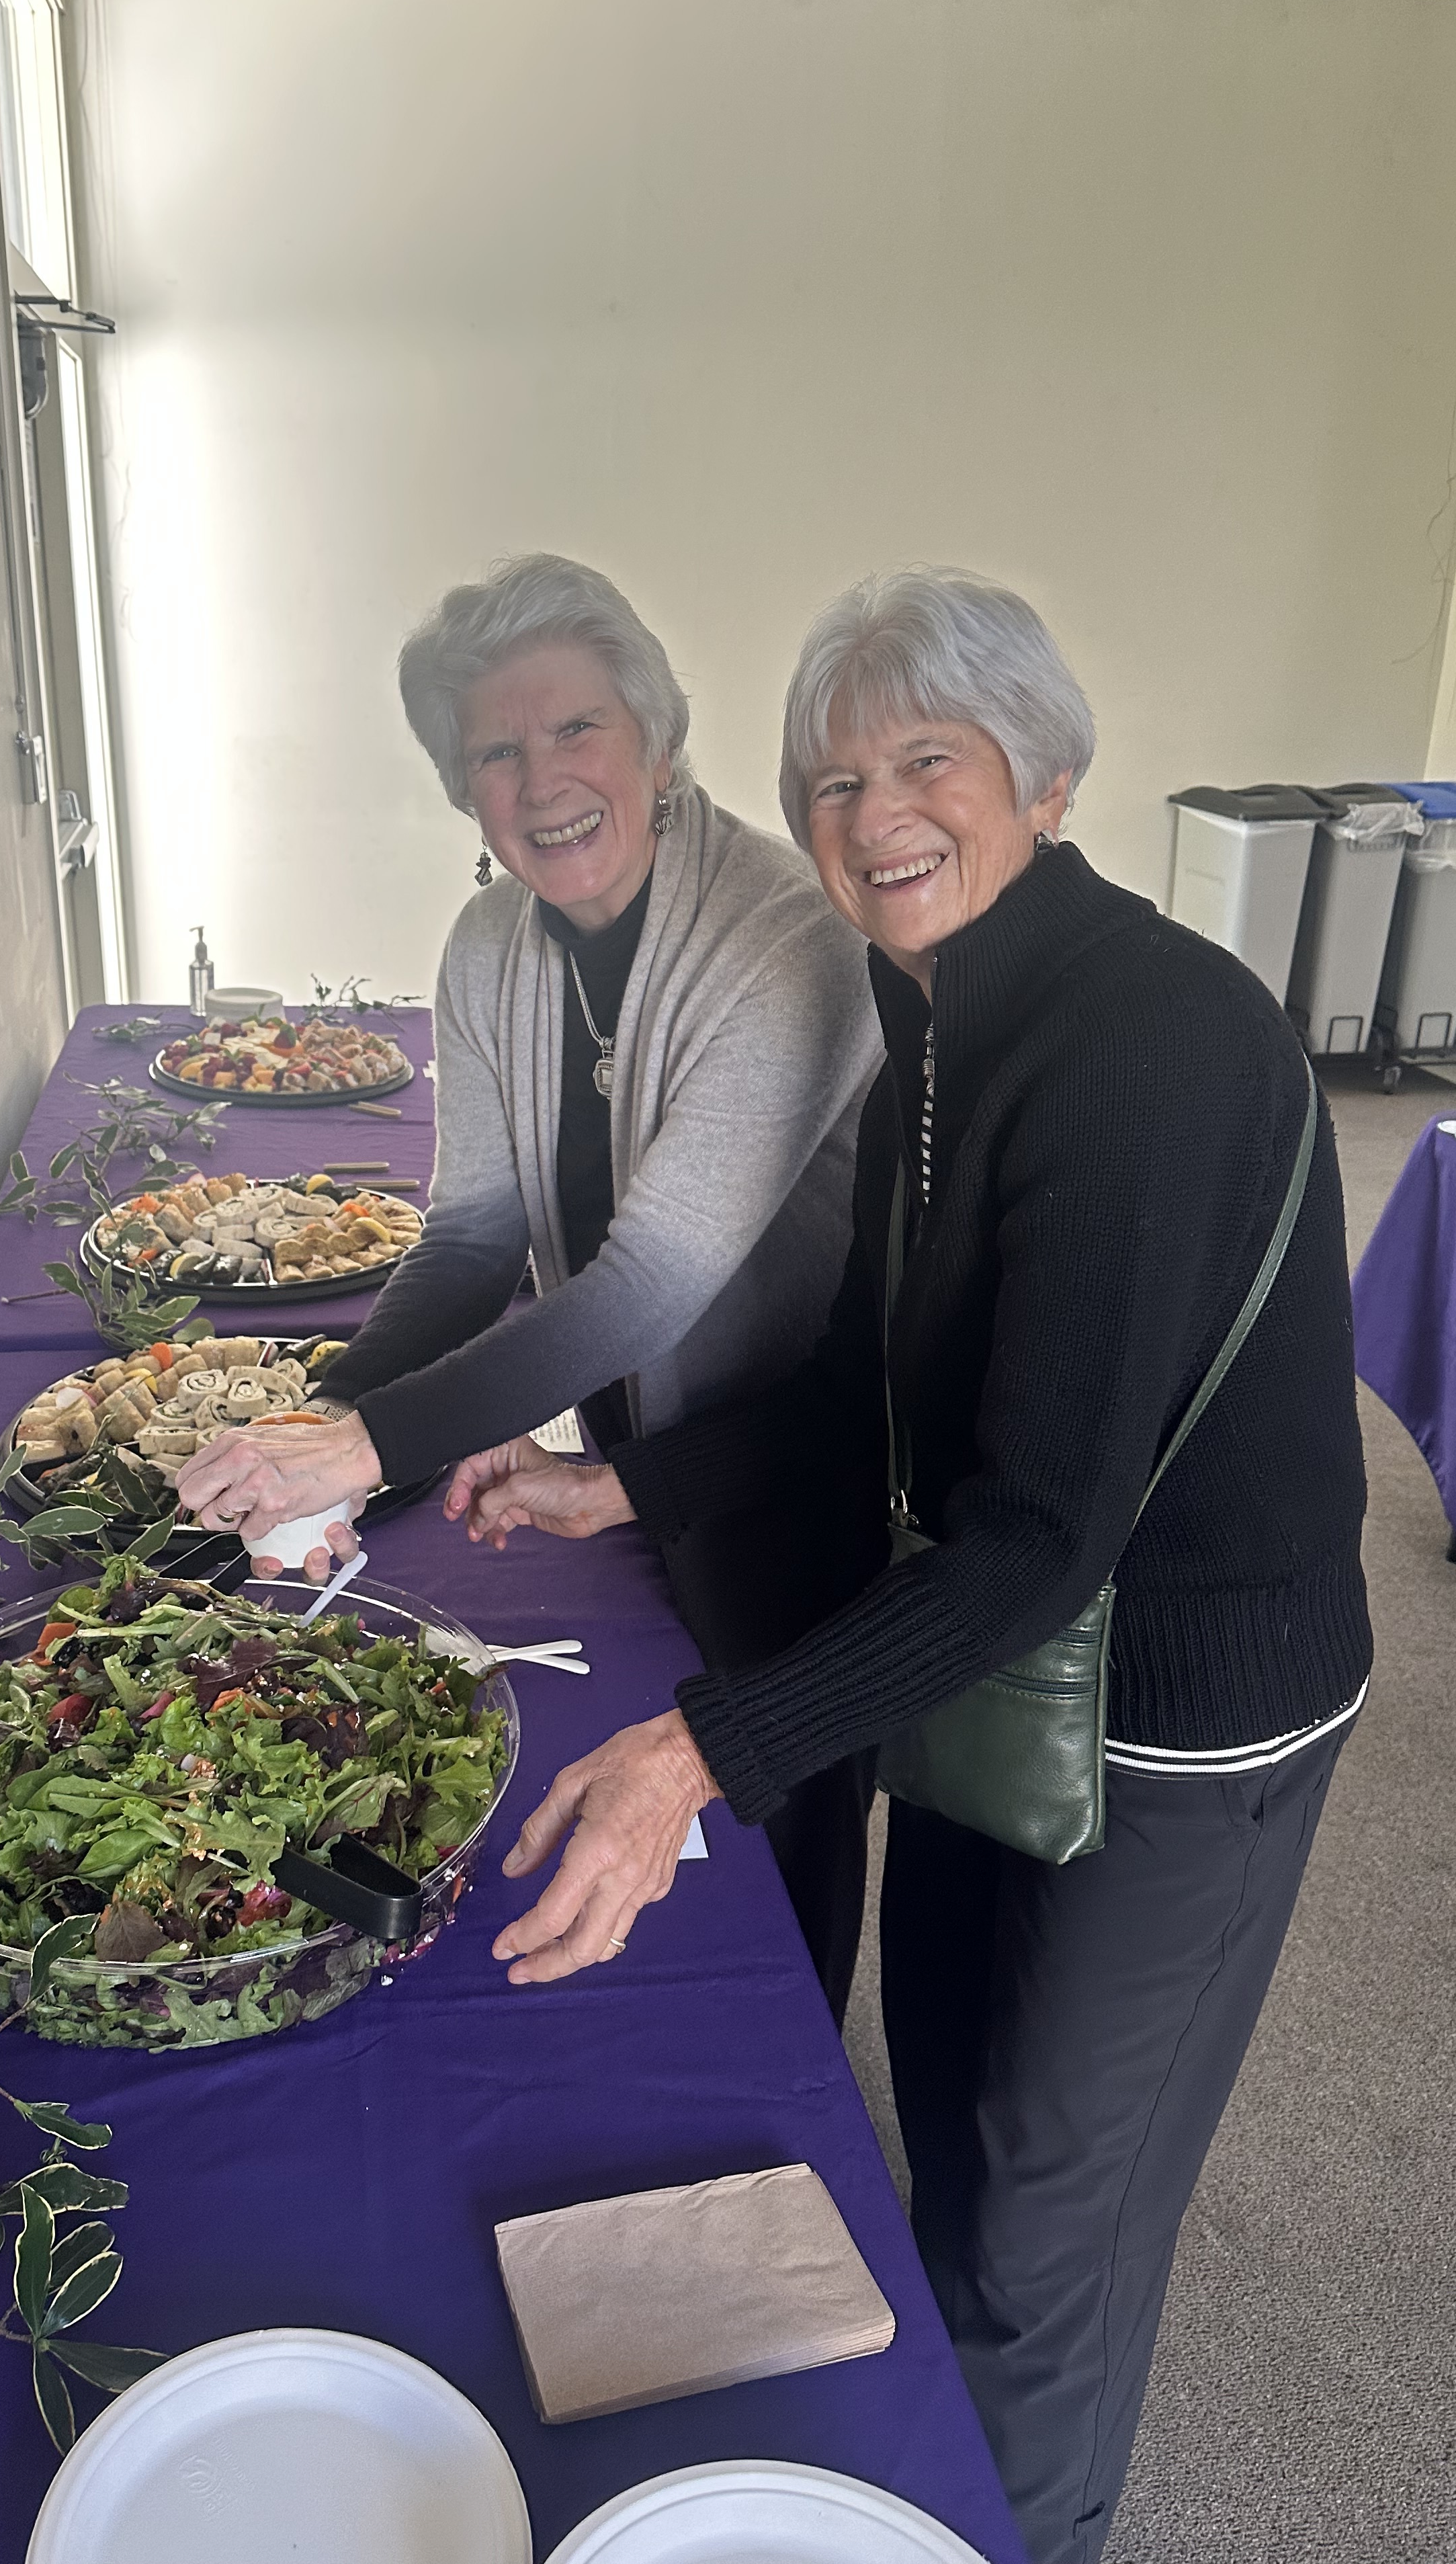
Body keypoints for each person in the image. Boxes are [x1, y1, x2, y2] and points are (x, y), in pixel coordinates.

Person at [447, 567, 1371, 2564]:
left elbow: (1045, 1524)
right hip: (993, 1651)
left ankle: (1023, 2531)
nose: (873, 818)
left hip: (1178, 1710)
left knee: (1051, 2211)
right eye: (832, 778)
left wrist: (709, 1747)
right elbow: (888, 1371)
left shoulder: (1140, 1045)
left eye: (925, 763)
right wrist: (648, 1484)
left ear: (1042, 773)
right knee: (942, 2119)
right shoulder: (929, 1003)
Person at [178, 552, 884, 2014]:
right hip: (639, 1451)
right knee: (637, 1816)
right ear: (462, 789)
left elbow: (647, 1290)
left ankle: (803, 2052)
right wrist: (317, 1459)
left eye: (577, 730)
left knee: (776, 1821)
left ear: (657, 741)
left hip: (799, 1456)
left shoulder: (784, 941)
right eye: (496, 749)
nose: (542, 778)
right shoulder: (491, 943)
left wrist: (365, 1444)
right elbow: (471, 1240)